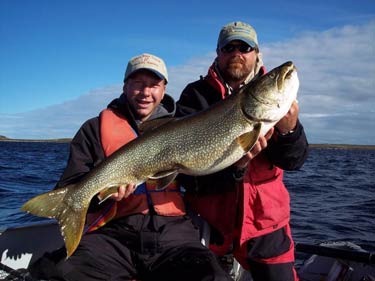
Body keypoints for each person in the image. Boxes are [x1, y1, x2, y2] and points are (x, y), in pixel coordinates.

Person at [29, 53, 232, 281]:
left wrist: (239, 165)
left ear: (164, 89)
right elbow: (69, 183)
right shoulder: (93, 129)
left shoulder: (185, 126)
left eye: (154, 85)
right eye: (138, 84)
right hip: (114, 233)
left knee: (212, 276)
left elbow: (200, 184)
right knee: (59, 273)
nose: (146, 93)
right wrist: (102, 195)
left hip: (173, 232)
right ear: (125, 86)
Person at [176, 22, 309, 281]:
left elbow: (294, 161)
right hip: (210, 222)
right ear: (218, 53)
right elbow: (187, 176)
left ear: (257, 54)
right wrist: (235, 170)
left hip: (266, 223)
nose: (237, 52)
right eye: (229, 47)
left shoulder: (275, 102)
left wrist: (290, 131)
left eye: (245, 47)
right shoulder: (195, 95)